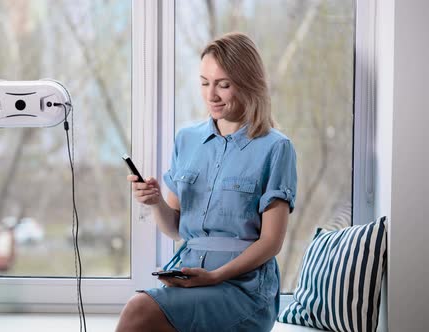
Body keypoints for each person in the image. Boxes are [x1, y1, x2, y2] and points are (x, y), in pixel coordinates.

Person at [115, 32, 297, 332]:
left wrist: (215, 277)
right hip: (191, 283)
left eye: (223, 85)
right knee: (145, 311)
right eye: (204, 82)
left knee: (139, 309)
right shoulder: (187, 139)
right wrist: (155, 201)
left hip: (244, 291)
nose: (210, 95)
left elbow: (271, 242)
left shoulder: (276, 147)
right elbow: (175, 228)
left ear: (248, 83)